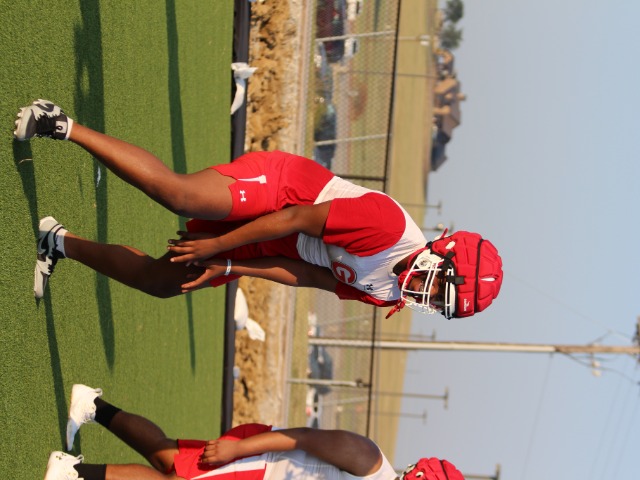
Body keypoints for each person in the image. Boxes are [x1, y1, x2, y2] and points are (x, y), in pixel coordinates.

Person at [15, 99, 503, 319]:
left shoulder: (388, 294)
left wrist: (230, 265)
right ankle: (60, 123)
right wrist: (219, 244)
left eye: (439, 305)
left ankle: (57, 242)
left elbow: (306, 275)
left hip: (282, 242)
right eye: (440, 288)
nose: (428, 297)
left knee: (163, 282)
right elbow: (295, 217)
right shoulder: (387, 227)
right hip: (286, 193)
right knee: (180, 195)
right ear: (442, 253)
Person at [44, 383, 466, 480]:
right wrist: (237, 449)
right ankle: (72, 473)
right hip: (260, 462)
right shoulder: (369, 460)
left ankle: (91, 405)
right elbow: (302, 437)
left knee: (167, 457)